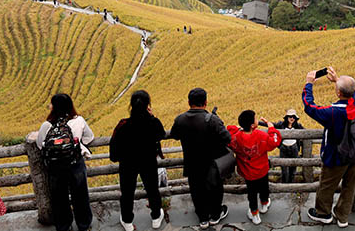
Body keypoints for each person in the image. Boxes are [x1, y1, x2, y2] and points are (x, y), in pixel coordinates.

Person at [302, 66, 355, 228]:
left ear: (338, 93)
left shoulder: (333, 113)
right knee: (349, 186)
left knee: (327, 185)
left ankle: (323, 214)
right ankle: (343, 217)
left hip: (336, 156)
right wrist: (338, 81)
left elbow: (309, 106)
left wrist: (309, 84)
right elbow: (354, 92)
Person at [169, 88, 231, 229]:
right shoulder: (213, 120)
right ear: (206, 102)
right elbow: (227, 138)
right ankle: (215, 216)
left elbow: (174, 135)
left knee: (196, 191)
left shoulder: (180, 119)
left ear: (189, 102)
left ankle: (203, 219)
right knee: (215, 189)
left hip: (191, 164)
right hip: (212, 163)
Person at [110, 90, 168, 231]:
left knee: (127, 192)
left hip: (127, 164)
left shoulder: (123, 125)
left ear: (131, 106)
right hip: (148, 162)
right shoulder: (153, 122)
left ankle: (127, 221)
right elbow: (161, 134)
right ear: (148, 105)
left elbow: (113, 151)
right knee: (152, 189)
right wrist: (151, 116)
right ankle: (155, 217)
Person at [36, 93, 94, 231]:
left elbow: (40, 145)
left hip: (55, 167)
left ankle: (63, 226)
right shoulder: (78, 120)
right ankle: (84, 225)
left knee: (59, 199)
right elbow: (89, 137)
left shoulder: (47, 125)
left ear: (54, 107)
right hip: (75, 164)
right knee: (80, 196)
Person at [227, 110, 282, 225]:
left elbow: (228, 132)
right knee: (264, 188)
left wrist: (238, 128)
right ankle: (264, 204)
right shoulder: (261, 135)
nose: (257, 120)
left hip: (248, 173)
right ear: (253, 125)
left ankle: (255, 214)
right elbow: (275, 142)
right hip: (262, 170)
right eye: (256, 119)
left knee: (251, 194)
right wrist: (271, 128)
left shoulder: (236, 138)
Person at [273, 109, 304, 183]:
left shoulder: (298, 126)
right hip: (283, 148)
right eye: (290, 116)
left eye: (293, 117)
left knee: (293, 168)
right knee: (284, 169)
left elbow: (307, 133)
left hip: (294, 148)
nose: (292, 118)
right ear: (287, 117)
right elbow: (271, 125)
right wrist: (260, 122)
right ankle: (284, 185)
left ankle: (291, 185)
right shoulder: (281, 125)